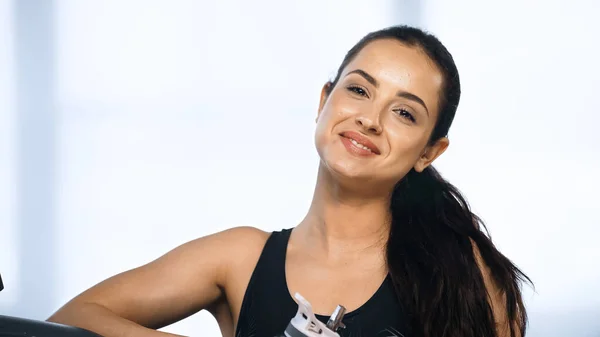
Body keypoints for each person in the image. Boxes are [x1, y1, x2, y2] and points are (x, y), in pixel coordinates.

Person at [48, 25, 532, 337]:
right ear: (324, 100)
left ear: (429, 151)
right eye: (359, 89)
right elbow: (69, 320)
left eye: (404, 113)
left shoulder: (463, 273)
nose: (369, 119)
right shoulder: (238, 259)